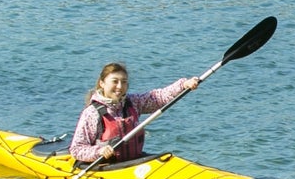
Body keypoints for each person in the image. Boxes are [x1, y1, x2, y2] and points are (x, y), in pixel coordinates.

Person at [69, 63, 202, 166]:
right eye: (115, 81)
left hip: (133, 163)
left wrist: (184, 85)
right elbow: (76, 149)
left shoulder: (132, 102)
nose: (120, 86)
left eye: (124, 82)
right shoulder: (92, 113)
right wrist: (98, 152)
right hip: (107, 167)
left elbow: (158, 97)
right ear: (102, 83)